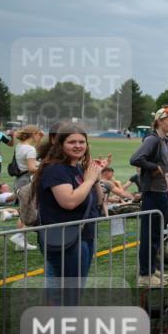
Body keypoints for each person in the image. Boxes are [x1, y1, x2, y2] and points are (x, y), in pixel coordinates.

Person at [33, 123, 106, 305]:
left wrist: (95, 178)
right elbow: (69, 202)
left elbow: (98, 200)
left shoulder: (78, 167)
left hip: (84, 234)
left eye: (82, 141)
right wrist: (89, 181)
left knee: (75, 289)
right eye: (72, 141)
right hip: (65, 239)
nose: (78, 145)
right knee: (66, 291)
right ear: (60, 145)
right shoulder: (56, 169)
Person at [130, 105, 168, 287]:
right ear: (159, 121)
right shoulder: (152, 139)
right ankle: (145, 274)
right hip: (152, 192)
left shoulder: (166, 139)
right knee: (149, 234)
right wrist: (154, 167)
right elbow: (135, 158)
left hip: (163, 191)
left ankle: (153, 268)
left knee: (159, 234)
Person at [8, 125, 43, 251]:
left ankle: (20, 243)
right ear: (33, 134)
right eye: (38, 133)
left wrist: (38, 141)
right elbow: (31, 168)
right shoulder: (29, 149)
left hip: (19, 181)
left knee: (23, 211)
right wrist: (45, 167)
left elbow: (30, 161)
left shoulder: (20, 146)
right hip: (26, 181)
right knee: (29, 212)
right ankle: (19, 236)